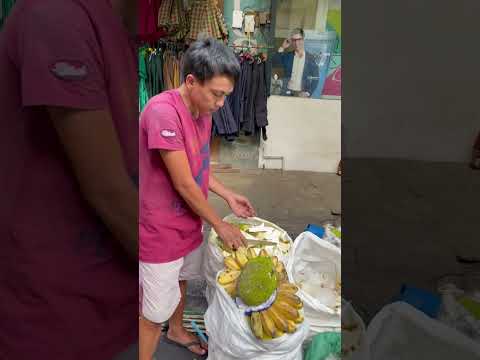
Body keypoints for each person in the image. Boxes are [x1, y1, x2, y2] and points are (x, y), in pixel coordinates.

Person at [0, 0, 139, 359]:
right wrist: (171, 264)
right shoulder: (58, 12)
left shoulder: (114, 18)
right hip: (55, 312)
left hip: (106, 297)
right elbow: (107, 190)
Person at [139, 37, 256, 359]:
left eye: (225, 96)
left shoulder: (202, 110)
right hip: (159, 228)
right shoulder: (163, 112)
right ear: (191, 81)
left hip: (188, 221)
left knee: (182, 280)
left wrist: (227, 194)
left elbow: (197, 168)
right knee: (152, 314)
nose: (220, 104)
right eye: (216, 94)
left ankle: (176, 331)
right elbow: (183, 184)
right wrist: (220, 224)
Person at [275, 28, 320, 97]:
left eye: (299, 39)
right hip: (287, 92)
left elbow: (316, 78)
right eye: (294, 40)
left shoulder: (310, 58)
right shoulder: (288, 56)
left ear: (303, 40)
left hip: (302, 94)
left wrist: (308, 93)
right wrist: (282, 47)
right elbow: (275, 62)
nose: (296, 43)